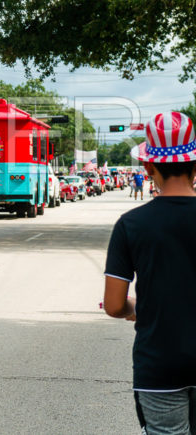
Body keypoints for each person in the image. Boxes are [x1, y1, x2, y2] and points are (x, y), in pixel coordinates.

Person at [104, 112, 196, 434]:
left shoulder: (130, 225)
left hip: (159, 367)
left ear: (148, 167)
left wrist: (136, 308)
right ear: (195, 165)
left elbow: (115, 305)